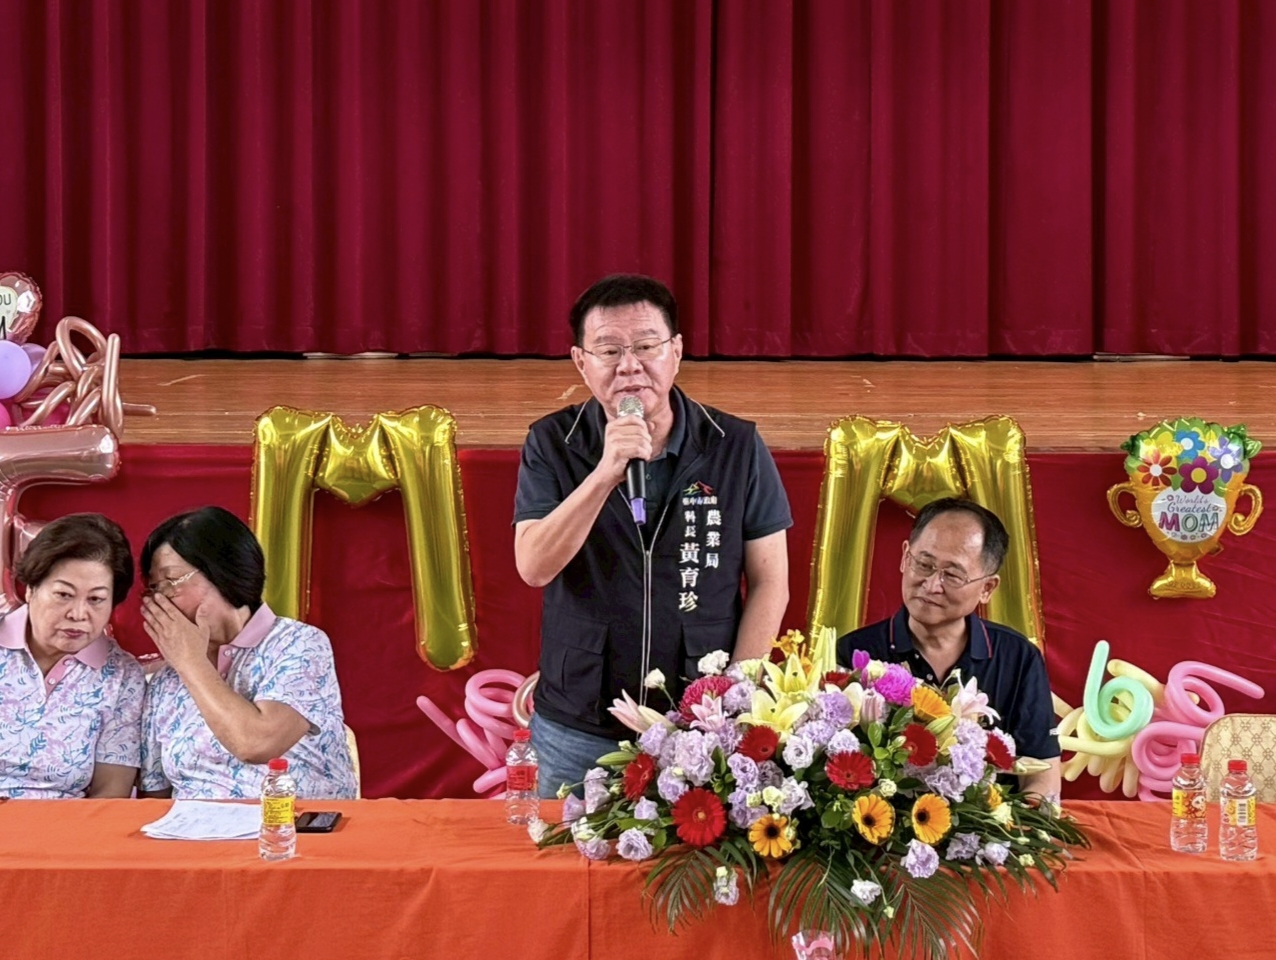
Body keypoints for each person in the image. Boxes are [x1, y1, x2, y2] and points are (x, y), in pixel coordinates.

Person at [514, 273, 792, 796]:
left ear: (676, 352)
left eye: (646, 346)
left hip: (698, 724)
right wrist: (605, 473)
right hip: (579, 723)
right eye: (609, 350)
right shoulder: (552, 443)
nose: (630, 365)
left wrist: (733, 695)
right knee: (564, 851)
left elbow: (771, 580)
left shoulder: (735, 445)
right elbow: (533, 565)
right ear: (581, 362)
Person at [836, 497, 1061, 800]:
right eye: (924, 564)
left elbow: (1042, 778)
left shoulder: (1018, 658)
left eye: (952, 575)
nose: (932, 585)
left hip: (988, 824)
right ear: (905, 557)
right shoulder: (854, 654)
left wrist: (1015, 824)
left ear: (987, 588)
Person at [138, 506, 357, 799]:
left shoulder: (299, 644)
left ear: (223, 572)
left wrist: (191, 663)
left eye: (171, 582)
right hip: (191, 827)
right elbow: (154, 795)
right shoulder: (165, 681)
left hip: (290, 824)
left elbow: (256, 744)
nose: (160, 601)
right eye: (154, 588)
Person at [0, 513, 144, 798]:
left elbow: (110, 793)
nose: (78, 614)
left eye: (96, 599)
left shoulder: (122, 676)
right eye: (64, 595)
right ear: (31, 589)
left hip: (67, 822)